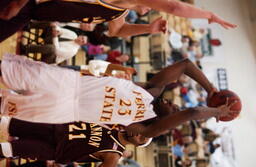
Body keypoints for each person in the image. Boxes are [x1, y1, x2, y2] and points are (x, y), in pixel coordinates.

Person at [0, 53, 237, 138]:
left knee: (4, 105)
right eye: (176, 104)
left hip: (62, 111)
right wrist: (210, 90)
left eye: (174, 109)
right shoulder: (150, 90)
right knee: (5, 71)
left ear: (165, 121)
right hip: (70, 83)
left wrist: (217, 111)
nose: (173, 104)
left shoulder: (143, 127)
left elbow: (192, 112)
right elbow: (185, 65)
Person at [0, 0, 236, 43]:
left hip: (31, 14)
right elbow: (174, 7)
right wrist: (209, 16)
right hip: (28, 3)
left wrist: (148, 28)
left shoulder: (121, 11)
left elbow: (116, 31)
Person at [0, 116, 150, 167]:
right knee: (6, 123)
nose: (138, 134)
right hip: (53, 128)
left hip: (53, 149)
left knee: (7, 149)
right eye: (142, 131)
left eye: (141, 138)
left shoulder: (114, 155)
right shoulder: (114, 123)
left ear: (137, 145)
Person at [23, 24, 88, 64]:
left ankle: (26, 49)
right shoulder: (74, 34)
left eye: (82, 41)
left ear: (82, 45)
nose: (81, 39)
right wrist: (55, 28)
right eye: (82, 38)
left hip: (51, 57)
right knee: (51, 24)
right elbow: (60, 30)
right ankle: (29, 25)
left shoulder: (73, 51)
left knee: (52, 48)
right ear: (80, 36)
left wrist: (55, 37)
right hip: (51, 42)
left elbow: (57, 51)